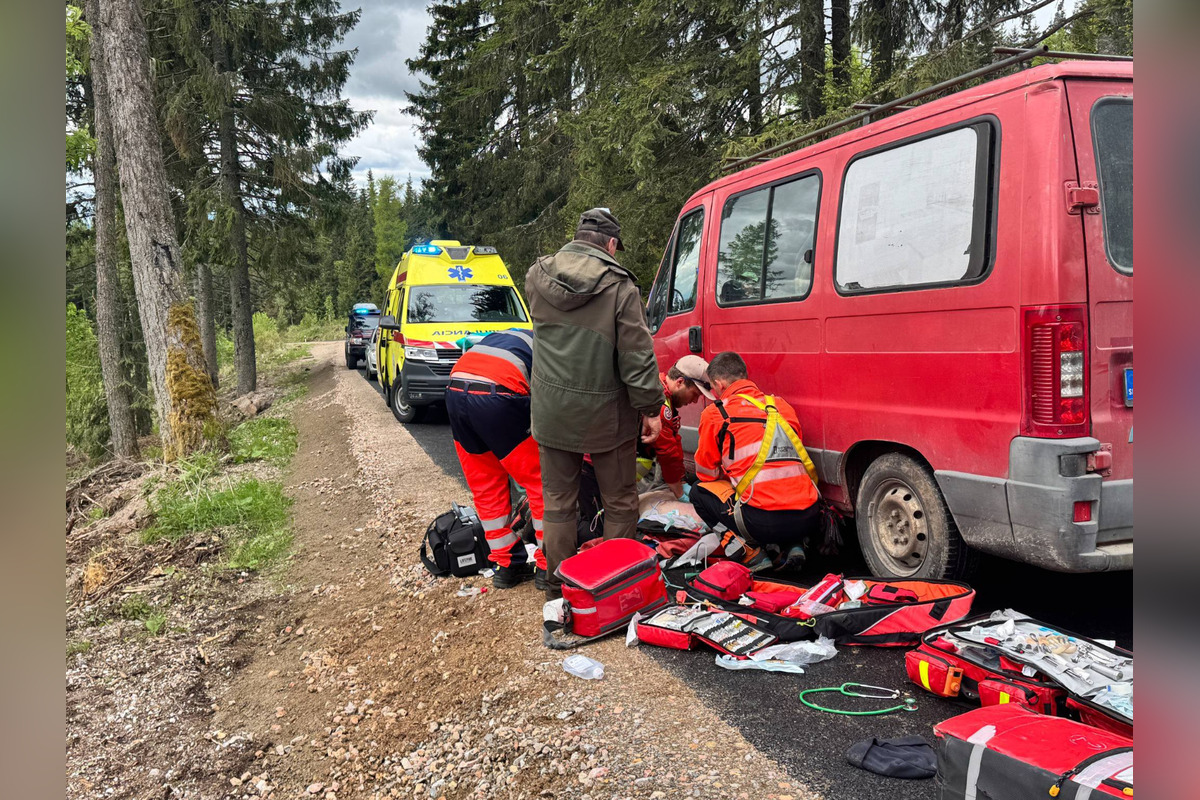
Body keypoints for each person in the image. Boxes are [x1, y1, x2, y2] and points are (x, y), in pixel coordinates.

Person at [525, 208, 664, 599]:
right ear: (612, 244)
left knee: (558, 502)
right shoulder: (621, 288)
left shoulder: (537, 276)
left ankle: (558, 585)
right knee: (619, 502)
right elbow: (637, 357)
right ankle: (610, 586)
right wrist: (651, 408)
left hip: (551, 411)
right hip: (606, 416)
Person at [690, 351, 820, 572]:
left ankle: (750, 553)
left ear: (719, 384)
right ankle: (794, 544)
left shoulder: (717, 413)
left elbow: (707, 474)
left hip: (762, 522)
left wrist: (732, 473)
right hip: (808, 515)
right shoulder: (781, 406)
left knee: (698, 492)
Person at [444, 328, 547, 589]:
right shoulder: (549, 346)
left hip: (455, 392)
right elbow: (553, 400)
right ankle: (549, 564)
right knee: (540, 481)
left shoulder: (505, 338)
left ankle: (506, 564)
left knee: (485, 484)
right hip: (499, 393)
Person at [637, 355, 713, 499]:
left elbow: (674, 443)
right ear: (680, 382)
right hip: (600, 471)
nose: (695, 401)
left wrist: (682, 479)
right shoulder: (661, 406)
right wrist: (679, 493)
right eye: (695, 394)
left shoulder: (663, 396)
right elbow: (667, 453)